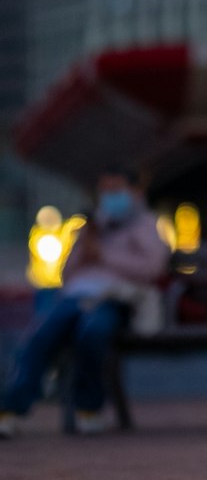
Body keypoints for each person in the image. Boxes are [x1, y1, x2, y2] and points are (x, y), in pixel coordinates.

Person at [0, 167, 169, 437]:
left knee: (92, 332)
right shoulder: (91, 225)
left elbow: (152, 268)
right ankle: (9, 409)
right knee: (41, 336)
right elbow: (65, 275)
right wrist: (85, 246)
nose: (109, 196)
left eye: (116, 190)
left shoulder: (146, 225)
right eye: (105, 191)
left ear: (135, 192)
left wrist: (104, 256)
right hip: (76, 297)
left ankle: (88, 409)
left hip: (115, 299)